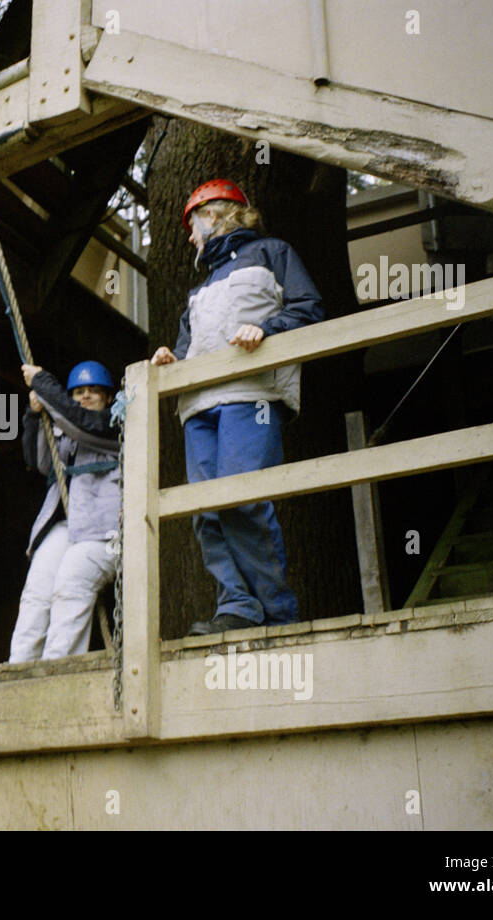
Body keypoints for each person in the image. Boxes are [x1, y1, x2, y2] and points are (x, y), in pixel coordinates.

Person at [150, 179, 324, 635]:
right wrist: (171, 360)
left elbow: (309, 308)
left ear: (214, 214)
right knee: (206, 513)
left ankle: (277, 612)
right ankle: (238, 607)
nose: (190, 236)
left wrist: (267, 328)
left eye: (192, 224)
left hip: (251, 396)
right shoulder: (200, 290)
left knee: (242, 501)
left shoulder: (273, 253)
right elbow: (188, 350)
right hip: (198, 407)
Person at [9, 360, 121, 661]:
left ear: (108, 398)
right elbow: (38, 461)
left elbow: (85, 424)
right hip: (69, 526)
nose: (84, 397)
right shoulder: (65, 429)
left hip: (105, 532)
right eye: (78, 393)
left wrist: (44, 383)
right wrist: (34, 415)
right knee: (37, 592)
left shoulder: (118, 424)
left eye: (93, 392)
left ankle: (56, 670)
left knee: (71, 585)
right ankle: (17, 670)